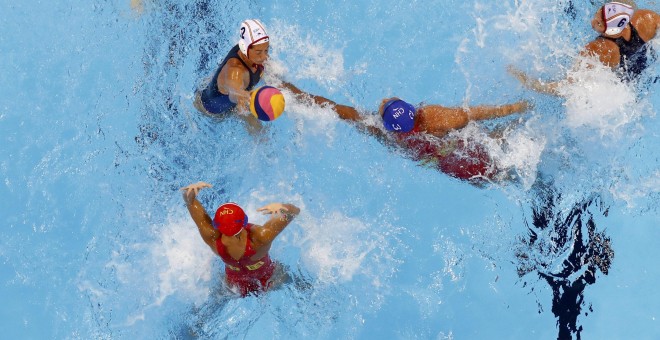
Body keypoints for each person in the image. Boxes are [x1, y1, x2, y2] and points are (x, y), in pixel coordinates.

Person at [282, 83, 530, 185]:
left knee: (498, 178)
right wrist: (515, 108)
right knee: (501, 145)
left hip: (451, 168)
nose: (383, 99)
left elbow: (336, 109)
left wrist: (291, 91)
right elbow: (474, 114)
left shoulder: (384, 131)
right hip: (468, 153)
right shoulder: (431, 117)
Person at [510, 0, 660, 94]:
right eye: (597, 13)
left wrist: (532, 83)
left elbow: (567, 87)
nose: (593, 20)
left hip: (622, 80)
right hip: (642, 61)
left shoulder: (596, 49)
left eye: (599, 22)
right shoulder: (646, 18)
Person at [181, 181, 301, 297]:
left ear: (216, 225)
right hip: (269, 281)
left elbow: (189, 202)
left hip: (234, 287)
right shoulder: (260, 237)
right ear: (244, 221)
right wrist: (282, 207)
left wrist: (190, 192)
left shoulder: (212, 238)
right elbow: (294, 211)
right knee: (300, 284)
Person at [193, 19, 271, 130]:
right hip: (207, 110)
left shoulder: (255, 55)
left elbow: (281, 82)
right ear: (245, 48)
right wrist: (243, 96)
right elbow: (234, 91)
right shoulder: (235, 71)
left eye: (267, 50)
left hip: (225, 96)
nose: (264, 57)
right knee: (260, 131)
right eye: (259, 52)